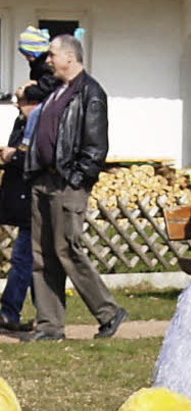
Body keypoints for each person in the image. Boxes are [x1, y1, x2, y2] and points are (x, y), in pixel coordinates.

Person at [24, 34, 127, 342]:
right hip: (43, 180)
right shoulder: (58, 90)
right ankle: (49, 326)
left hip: (66, 183)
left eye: (52, 55)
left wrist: (78, 179)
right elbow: (36, 82)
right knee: (42, 256)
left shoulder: (90, 93)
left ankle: (109, 312)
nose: (48, 60)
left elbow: (96, 148)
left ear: (70, 57)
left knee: (67, 249)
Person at [0, 88, 42, 331]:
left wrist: (13, 157)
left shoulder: (37, 125)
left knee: (24, 259)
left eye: (21, 101)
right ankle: (41, 313)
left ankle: (10, 311)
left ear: (34, 103)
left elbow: (36, 160)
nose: (17, 105)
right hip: (24, 201)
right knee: (30, 260)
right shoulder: (23, 122)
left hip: (33, 201)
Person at [17, 25, 58, 103]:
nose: (26, 58)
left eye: (28, 55)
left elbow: (45, 88)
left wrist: (25, 92)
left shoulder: (46, 65)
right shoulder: (37, 63)